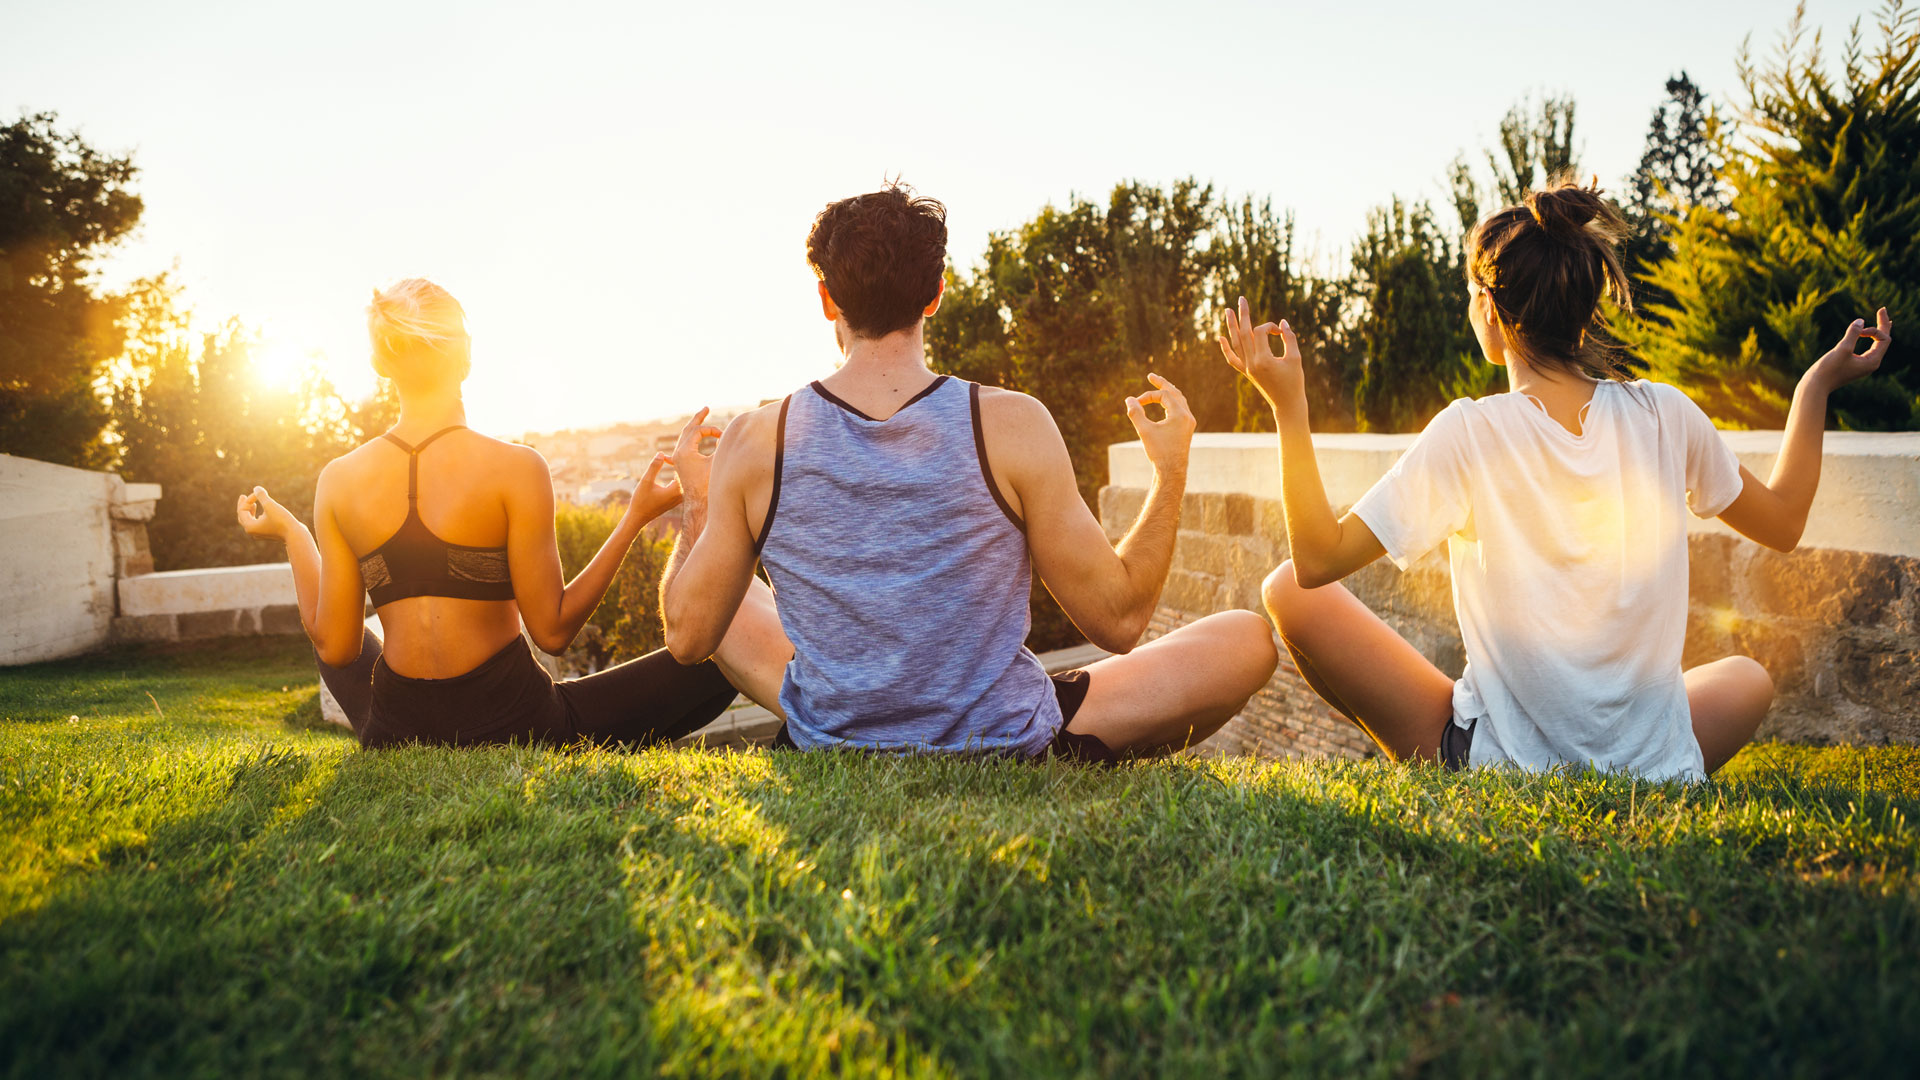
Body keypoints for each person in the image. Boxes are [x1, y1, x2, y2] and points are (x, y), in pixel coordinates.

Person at [1218, 179, 1894, 782]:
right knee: (1746, 678)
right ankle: (1633, 763)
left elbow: (1315, 560)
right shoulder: (1666, 414)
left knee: (1284, 591)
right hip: (1653, 766)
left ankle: (1447, 769)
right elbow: (1783, 524)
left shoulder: (1471, 431)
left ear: (1490, 310)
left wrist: (1288, 406)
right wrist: (1814, 388)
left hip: (1504, 766)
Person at [658, 183, 1278, 760]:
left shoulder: (755, 439)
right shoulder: (1012, 424)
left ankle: (854, 711)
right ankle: (1079, 755)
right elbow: (1118, 620)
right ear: (936, 293)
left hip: (833, 736)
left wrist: (701, 500)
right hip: (1003, 734)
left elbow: (688, 637)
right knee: (1248, 640)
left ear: (827, 300)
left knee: (728, 591)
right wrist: (1170, 472)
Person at [234, 278, 783, 748]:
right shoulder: (516, 468)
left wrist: (293, 532)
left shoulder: (338, 480)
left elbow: (335, 648)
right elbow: (554, 630)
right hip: (517, 724)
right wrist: (634, 517)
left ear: (381, 363)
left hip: (395, 728)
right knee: (714, 656)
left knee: (348, 636)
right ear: (466, 356)